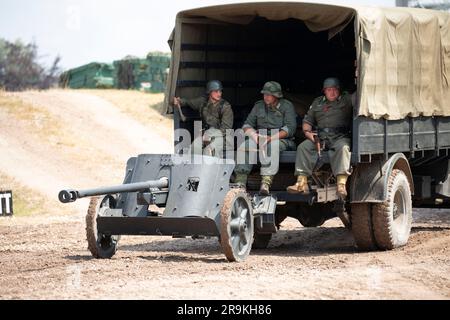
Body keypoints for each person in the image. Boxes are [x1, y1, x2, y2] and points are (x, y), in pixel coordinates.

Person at [287, 77, 353, 199]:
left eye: (334, 89)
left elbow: (360, 98)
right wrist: (308, 133)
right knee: (303, 147)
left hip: (340, 137)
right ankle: (301, 183)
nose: (332, 92)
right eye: (329, 90)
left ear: (339, 90)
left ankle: (341, 184)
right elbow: (307, 121)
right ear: (324, 91)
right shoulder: (317, 102)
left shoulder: (346, 100)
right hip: (321, 138)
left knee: (343, 148)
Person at [234, 81, 297, 195]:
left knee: (272, 146)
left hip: (281, 140)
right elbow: (247, 125)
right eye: (264, 94)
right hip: (260, 137)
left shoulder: (286, 106)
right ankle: (240, 182)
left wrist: (270, 138)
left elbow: (290, 129)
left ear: (276, 96)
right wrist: (255, 136)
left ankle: (266, 182)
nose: (266, 97)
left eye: (269, 95)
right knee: (245, 146)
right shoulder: (258, 106)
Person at [173, 80, 233, 157]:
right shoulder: (203, 102)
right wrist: (179, 101)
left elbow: (226, 129)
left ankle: (212, 169)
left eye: (220, 91)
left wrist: (210, 136)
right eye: (216, 91)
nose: (219, 94)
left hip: (221, 137)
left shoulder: (226, 107)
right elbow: (189, 102)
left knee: (209, 151)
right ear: (210, 92)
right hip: (205, 135)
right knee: (194, 149)